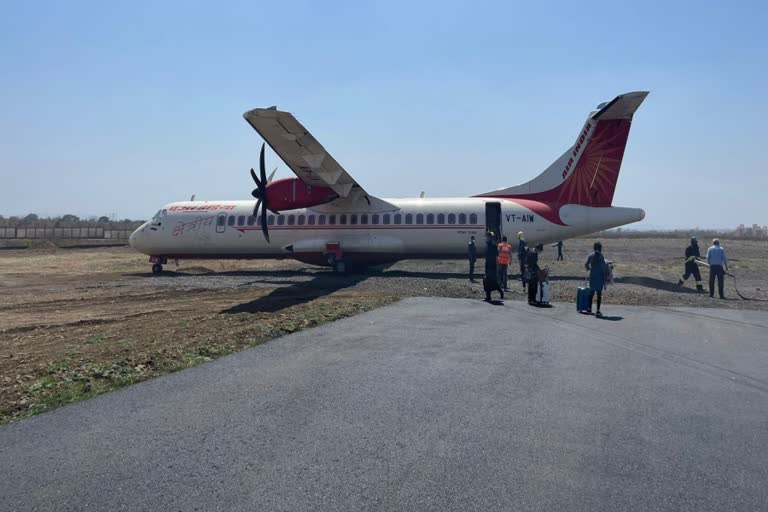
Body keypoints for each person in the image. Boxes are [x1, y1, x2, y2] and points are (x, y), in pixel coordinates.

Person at [585, 241, 609, 317]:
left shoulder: (591, 256)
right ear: (600, 248)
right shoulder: (601, 256)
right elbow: (604, 268)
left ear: (594, 247)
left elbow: (586, 264)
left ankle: (589, 309)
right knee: (599, 294)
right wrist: (609, 268)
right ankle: (598, 311)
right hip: (599, 277)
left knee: (591, 293)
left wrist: (590, 269)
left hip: (592, 276)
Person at [483, 231, 504, 301]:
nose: (486, 238)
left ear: (490, 237)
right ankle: (488, 297)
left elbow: (497, 254)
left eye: (487, 237)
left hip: (492, 266)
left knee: (492, 281)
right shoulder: (488, 244)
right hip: (488, 265)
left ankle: (500, 292)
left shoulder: (493, 245)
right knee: (487, 281)